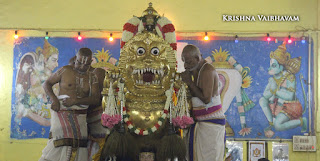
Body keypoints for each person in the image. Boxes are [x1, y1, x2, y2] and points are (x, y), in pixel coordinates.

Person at [39, 48, 100, 161]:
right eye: (79, 63)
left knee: (79, 146)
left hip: (81, 116)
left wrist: (76, 101)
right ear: (75, 59)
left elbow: (96, 99)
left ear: (90, 63)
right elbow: (46, 84)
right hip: (61, 111)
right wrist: (54, 100)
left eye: (86, 65)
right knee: (59, 143)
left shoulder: (92, 77)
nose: (82, 67)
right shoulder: (64, 70)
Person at [181, 44, 225, 161]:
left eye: (189, 62)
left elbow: (206, 99)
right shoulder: (195, 70)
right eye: (184, 62)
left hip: (211, 126)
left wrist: (189, 83)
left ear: (197, 58)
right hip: (201, 125)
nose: (186, 65)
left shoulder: (207, 70)